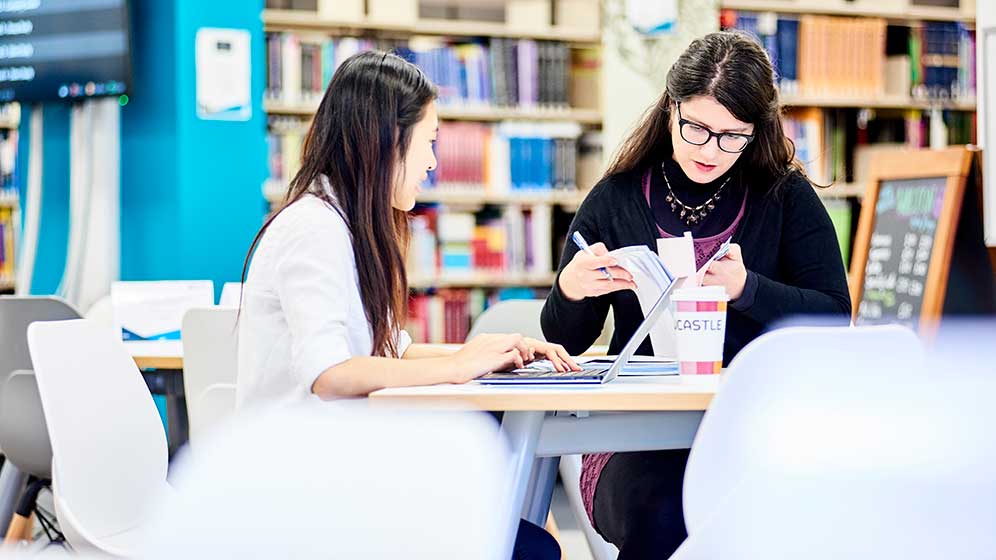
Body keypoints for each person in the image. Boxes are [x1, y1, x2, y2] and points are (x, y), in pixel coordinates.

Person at [237, 51, 573, 559]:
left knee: (519, 514)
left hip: (338, 466)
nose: (434, 162)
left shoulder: (346, 225)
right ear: (388, 141)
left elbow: (388, 352)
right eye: (429, 142)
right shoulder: (315, 229)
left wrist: (484, 353)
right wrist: (459, 367)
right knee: (530, 543)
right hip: (304, 486)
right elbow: (329, 372)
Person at [540, 31, 851, 559]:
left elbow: (833, 314)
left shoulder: (783, 194)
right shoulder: (617, 197)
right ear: (671, 110)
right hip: (638, 434)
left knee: (773, 511)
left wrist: (747, 289)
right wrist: (571, 289)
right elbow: (564, 338)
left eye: (733, 136)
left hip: (751, 421)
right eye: (698, 129)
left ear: (756, 132)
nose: (711, 150)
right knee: (664, 510)